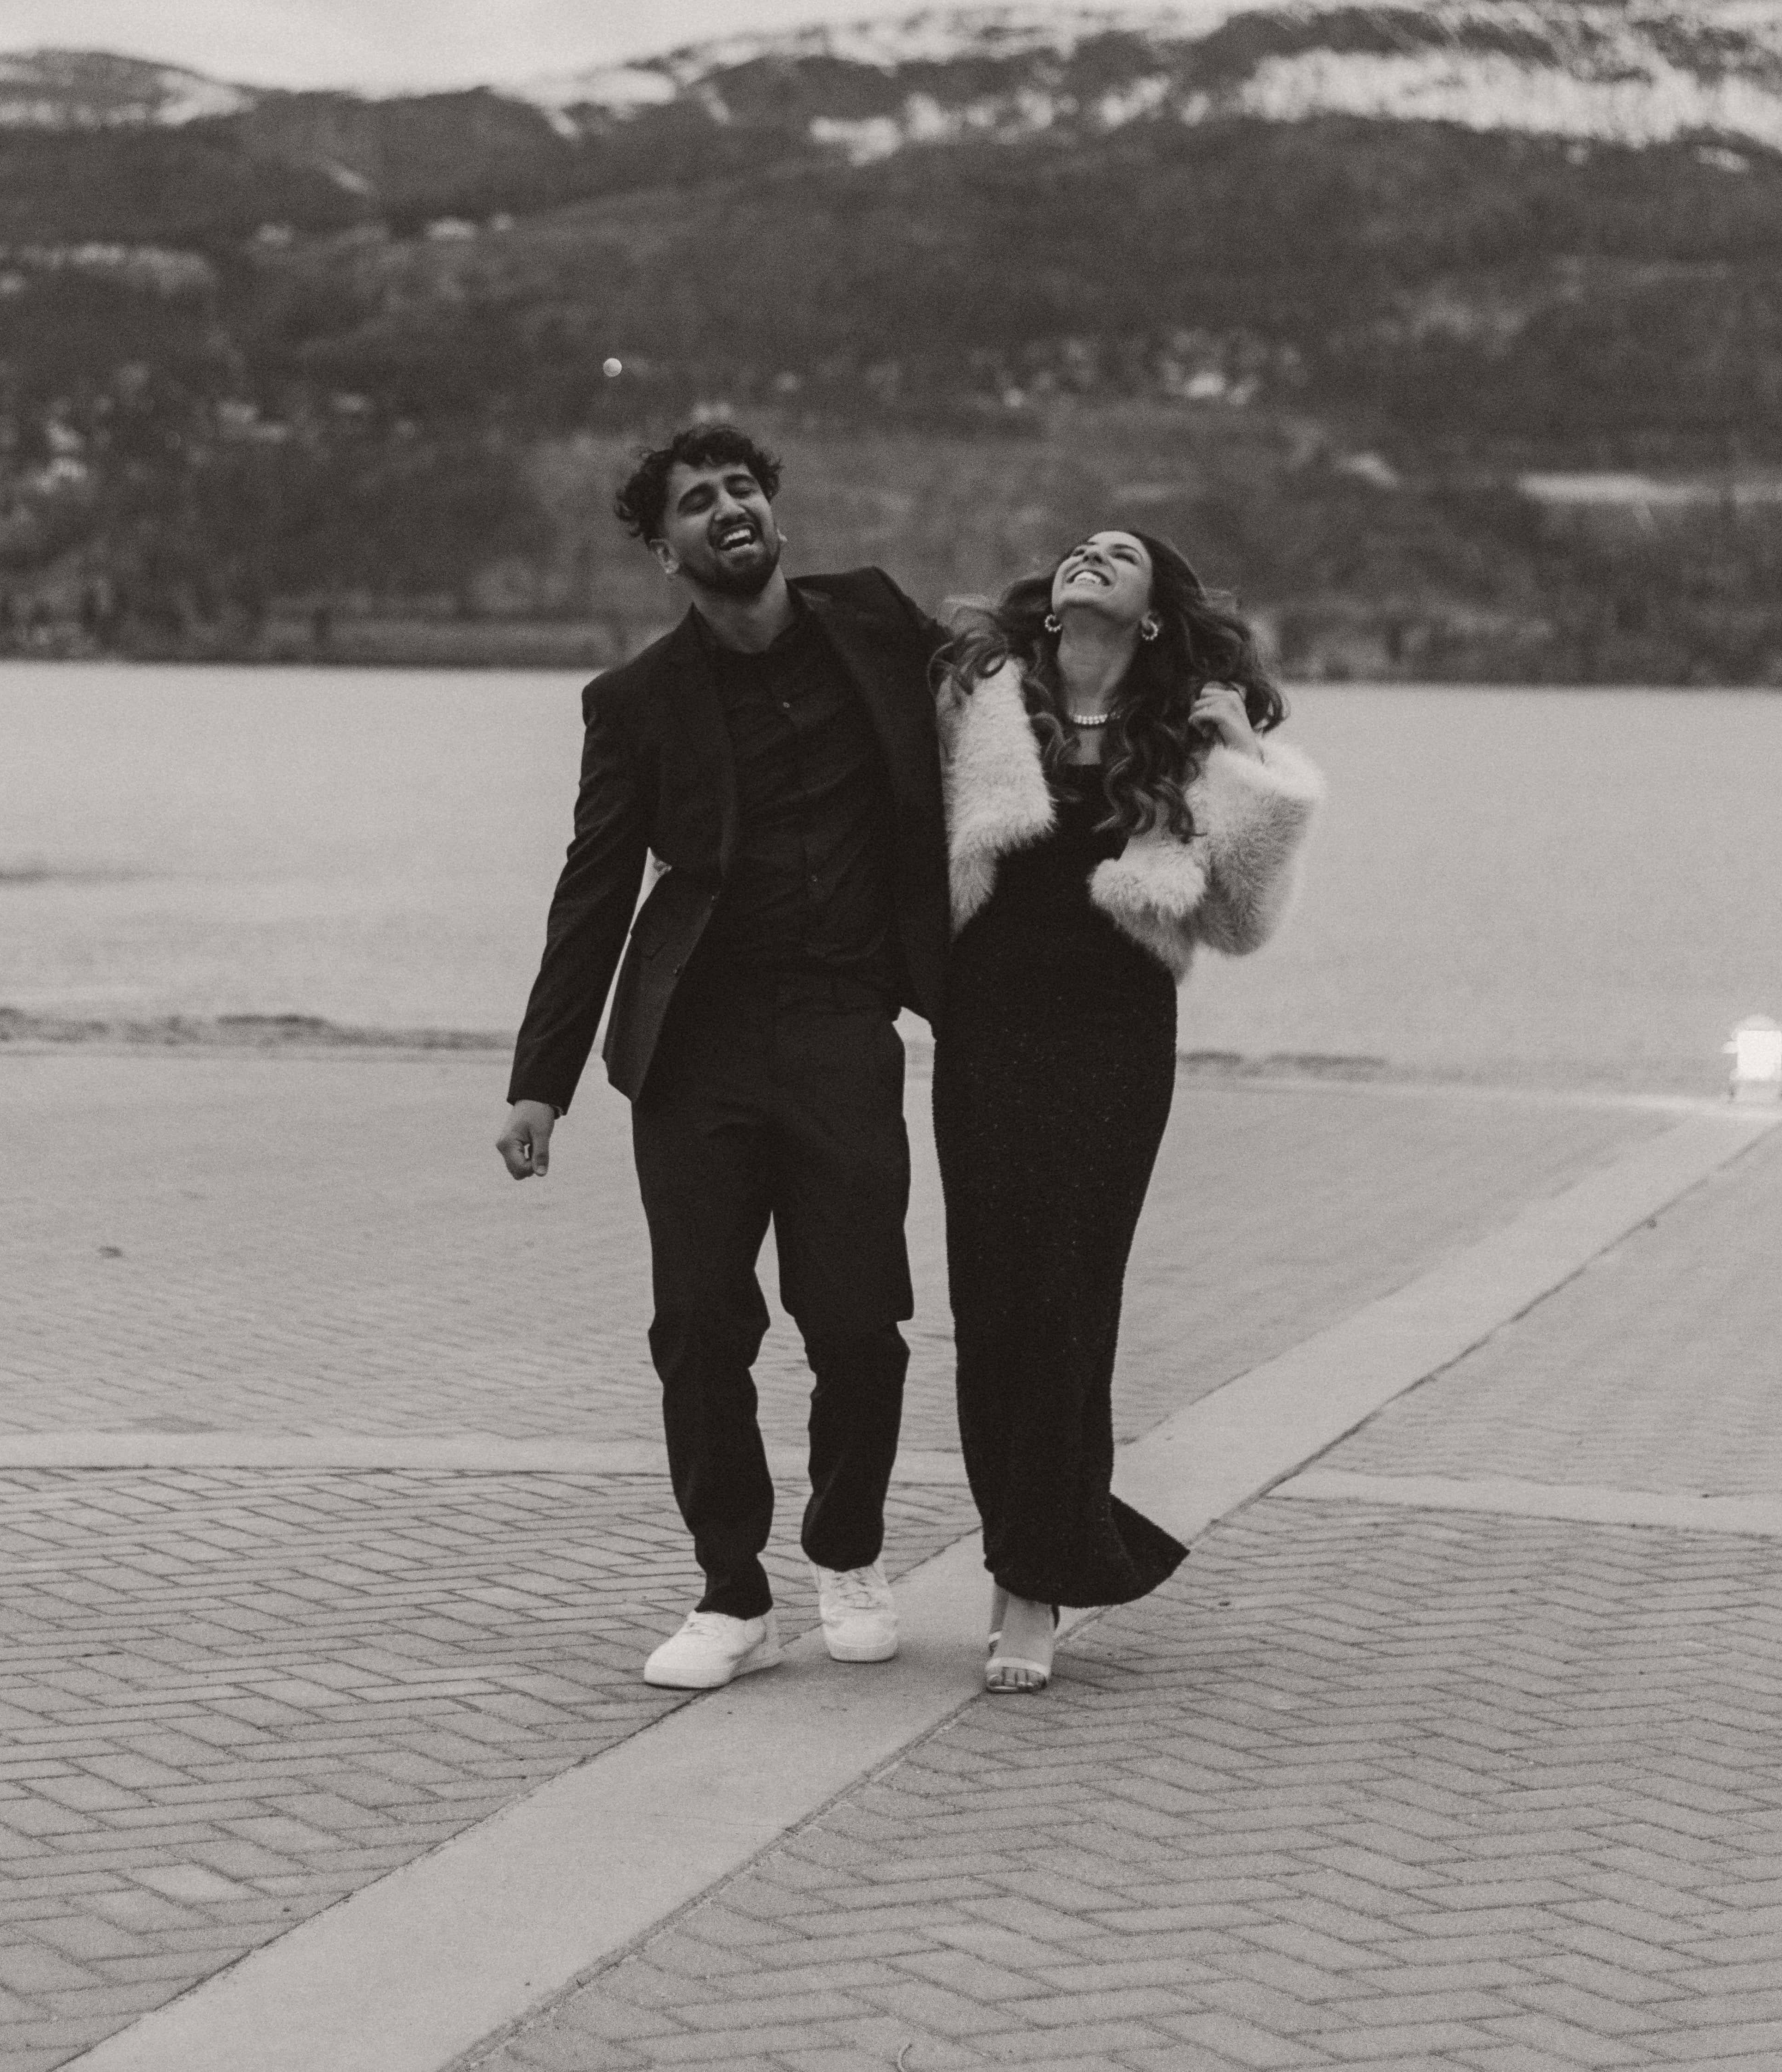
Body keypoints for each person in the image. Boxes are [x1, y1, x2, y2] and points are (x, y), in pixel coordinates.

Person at [496, 423, 950, 1691]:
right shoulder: (636, 703)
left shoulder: (874, 621)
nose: (728, 509)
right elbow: (592, 890)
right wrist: (543, 1079)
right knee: (700, 1325)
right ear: (665, 550)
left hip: (842, 1031)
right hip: (695, 1047)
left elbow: (1006, 716)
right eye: (697, 502)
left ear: (775, 510)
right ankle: (729, 1589)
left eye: (742, 487)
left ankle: (849, 1551)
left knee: (862, 1321)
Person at [934, 526, 1323, 1692]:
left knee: (1066, 1297)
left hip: (1112, 1044)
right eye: (1076, 549)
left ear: (1155, 612)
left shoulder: (1186, 742)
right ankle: (1040, 1530)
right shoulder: (976, 704)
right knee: (989, 1300)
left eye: (1117, 552)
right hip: (987, 1034)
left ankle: (1029, 1579)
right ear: (1051, 602)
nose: (1086, 556)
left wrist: (1244, 756)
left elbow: (1242, 922)